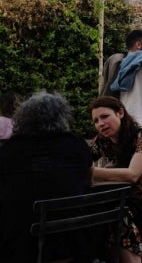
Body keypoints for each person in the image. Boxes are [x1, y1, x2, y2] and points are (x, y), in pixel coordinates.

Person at [0, 92, 93, 262]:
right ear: (62, 116)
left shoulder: (9, 150)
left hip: (19, 248)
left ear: (22, 118)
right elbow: (89, 181)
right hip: (73, 245)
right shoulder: (75, 144)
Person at [89, 96, 142, 263]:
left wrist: (92, 172)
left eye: (105, 116)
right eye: (96, 120)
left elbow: (133, 174)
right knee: (92, 217)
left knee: (117, 219)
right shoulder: (102, 141)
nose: (100, 124)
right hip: (121, 200)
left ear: (120, 113)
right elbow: (81, 160)